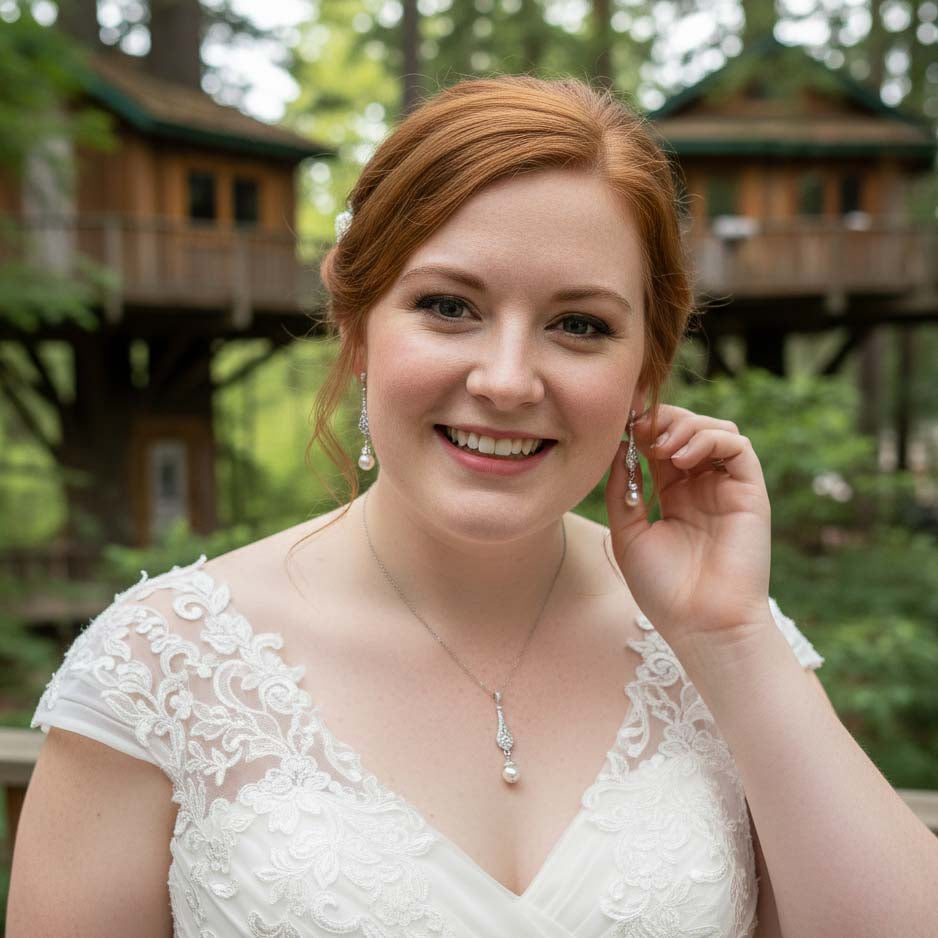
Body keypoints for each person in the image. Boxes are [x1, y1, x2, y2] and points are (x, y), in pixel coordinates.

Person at [7, 75, 938, 938]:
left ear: (643, 368)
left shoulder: (728, 641)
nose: (505, 379)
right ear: (357, 321)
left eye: (581, 325)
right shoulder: (158, 667)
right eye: (449, 306)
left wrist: (729, 637)